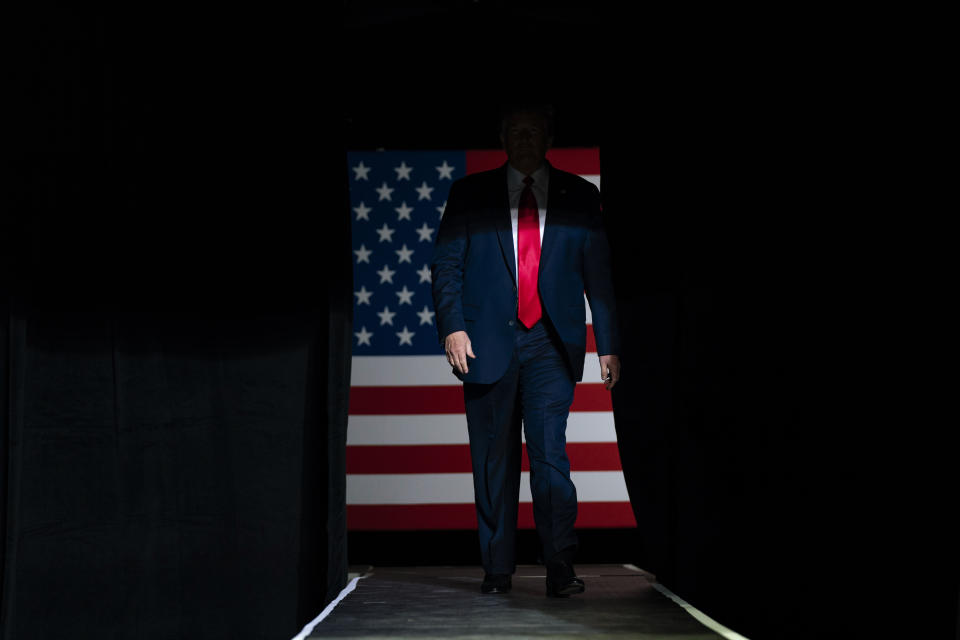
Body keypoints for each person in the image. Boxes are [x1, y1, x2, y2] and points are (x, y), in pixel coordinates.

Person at [431, 103, 621, 597]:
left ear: (548, 137)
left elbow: (599, 277)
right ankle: (497, 570)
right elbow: (447, 266)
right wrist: (452, 329)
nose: (525, 139)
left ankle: (560, 565)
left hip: (551, 344)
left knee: (550, 456)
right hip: (487, 342)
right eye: (516, 131)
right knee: (493, 461)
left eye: (533, 131)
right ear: (503, 137)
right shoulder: (469, 193)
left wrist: (608, 345)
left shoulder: (580, 196)